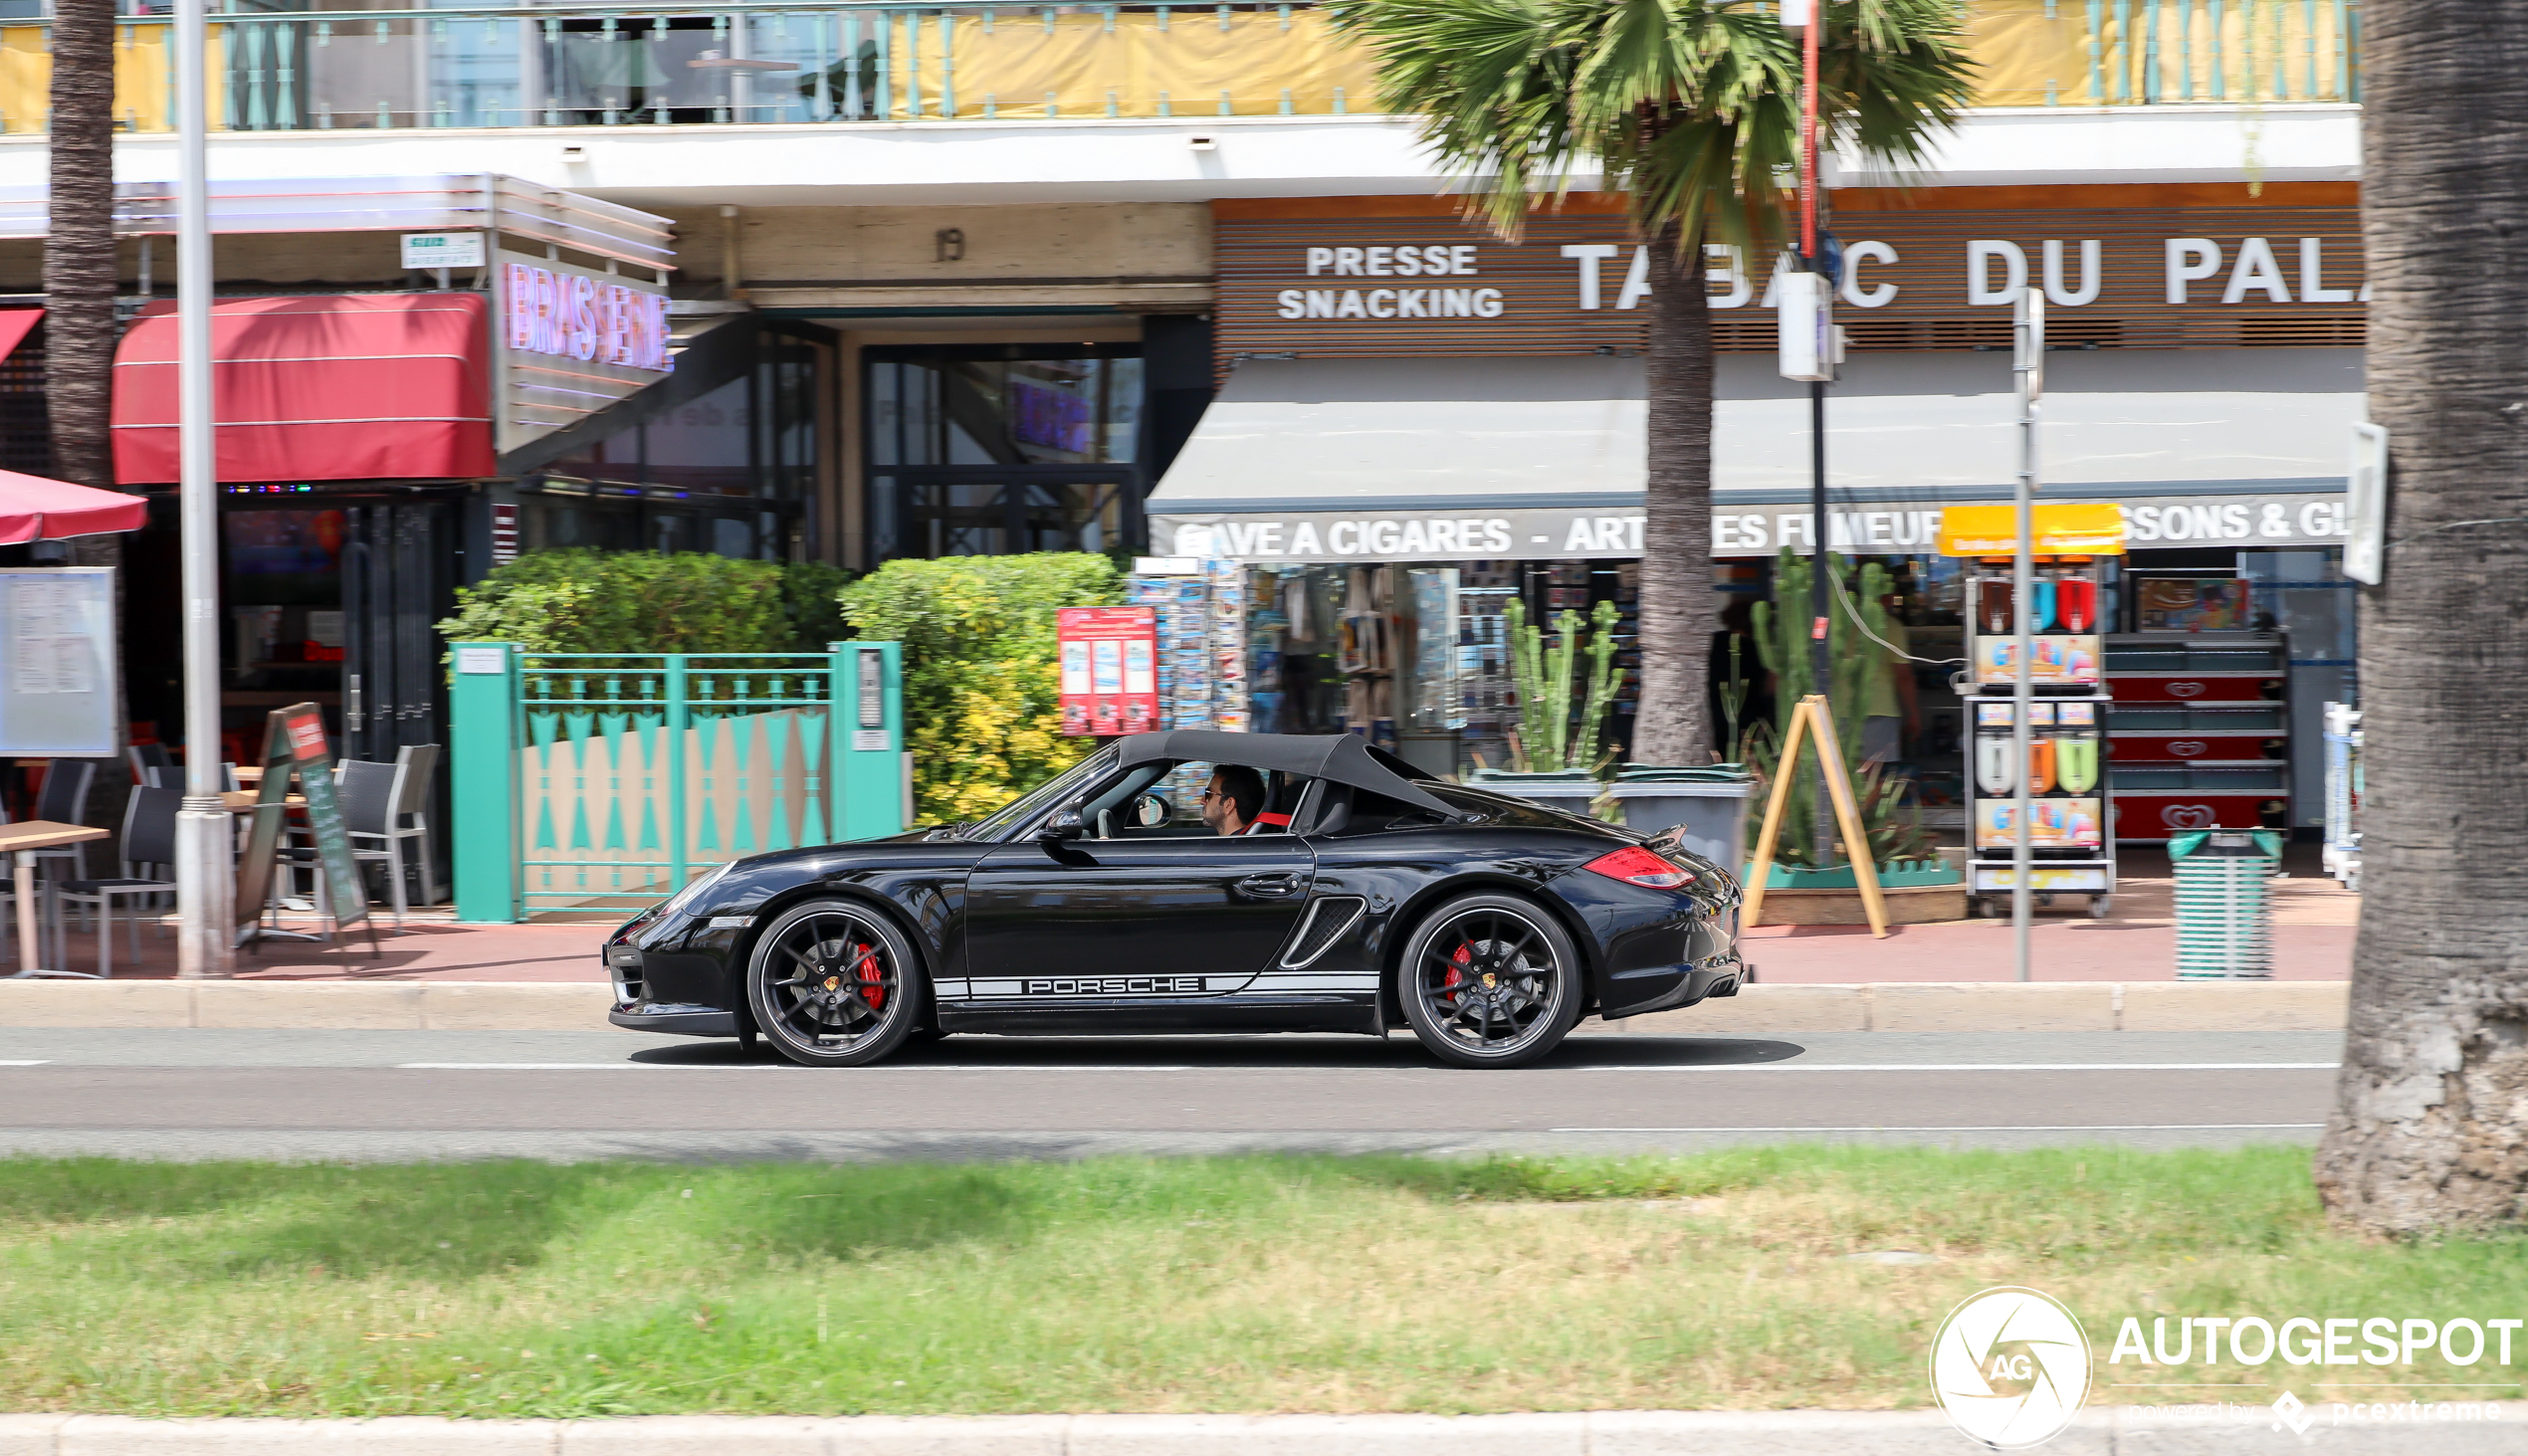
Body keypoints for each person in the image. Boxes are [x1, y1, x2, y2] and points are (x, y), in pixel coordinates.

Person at [1201, 764, 1264, 836]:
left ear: (1229, 804)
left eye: (1208, 794)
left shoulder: (1234, 845)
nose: (1202, 801)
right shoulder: (1243, 842)